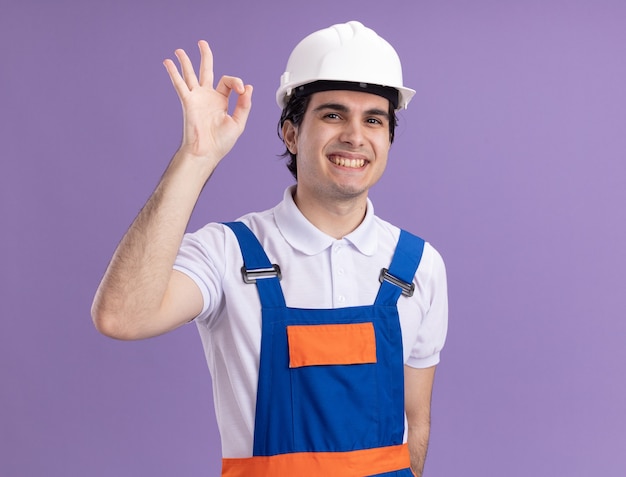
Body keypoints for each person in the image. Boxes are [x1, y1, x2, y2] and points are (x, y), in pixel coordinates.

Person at [92, 21, 448, 477]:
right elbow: (121, 316)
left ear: (388, 138)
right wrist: (195, 158)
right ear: (291, 133)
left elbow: (415, 421)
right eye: (333, 115)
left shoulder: (419, 266)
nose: (355, 137)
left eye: (373, 119)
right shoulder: (228, 253)